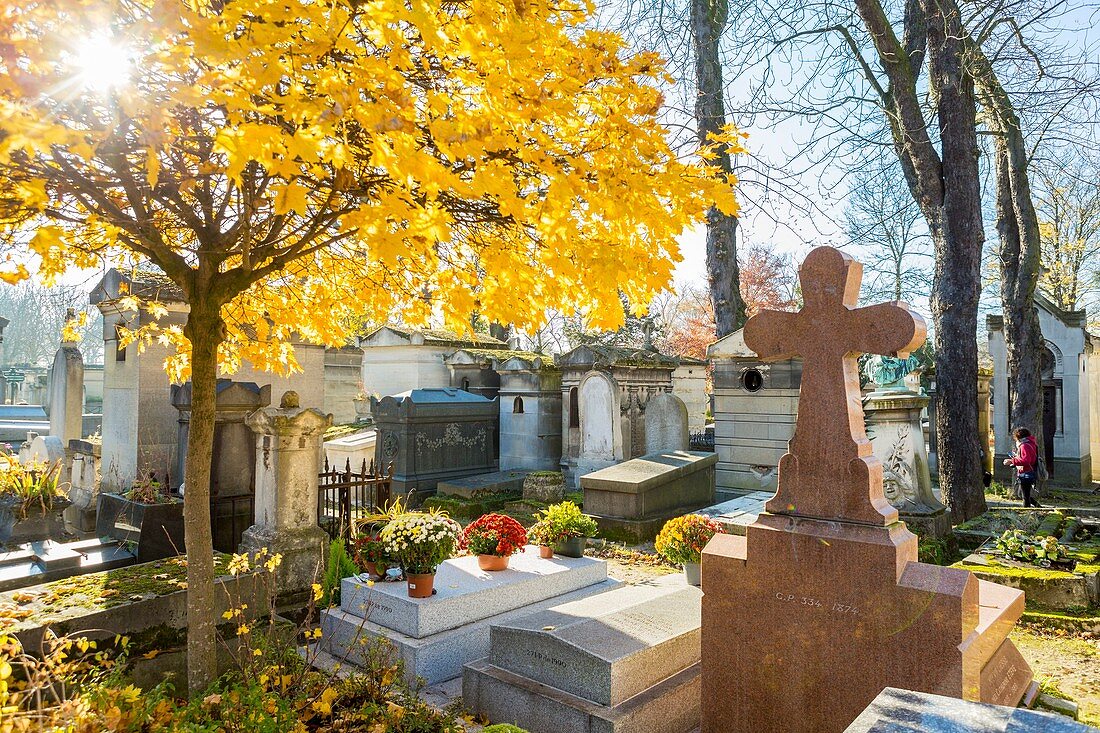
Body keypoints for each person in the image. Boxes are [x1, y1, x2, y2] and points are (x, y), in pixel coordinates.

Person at [1003, 427, 1042, 508]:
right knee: (1023, 494)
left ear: (1018, 437)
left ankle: (1028, 512)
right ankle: (1037, 506)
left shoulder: (1024, 446)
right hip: (1029, 471)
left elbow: (1026, 461)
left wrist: (1011, 461)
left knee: (1025, 497)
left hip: (1026, 473)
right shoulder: (1031, 443)